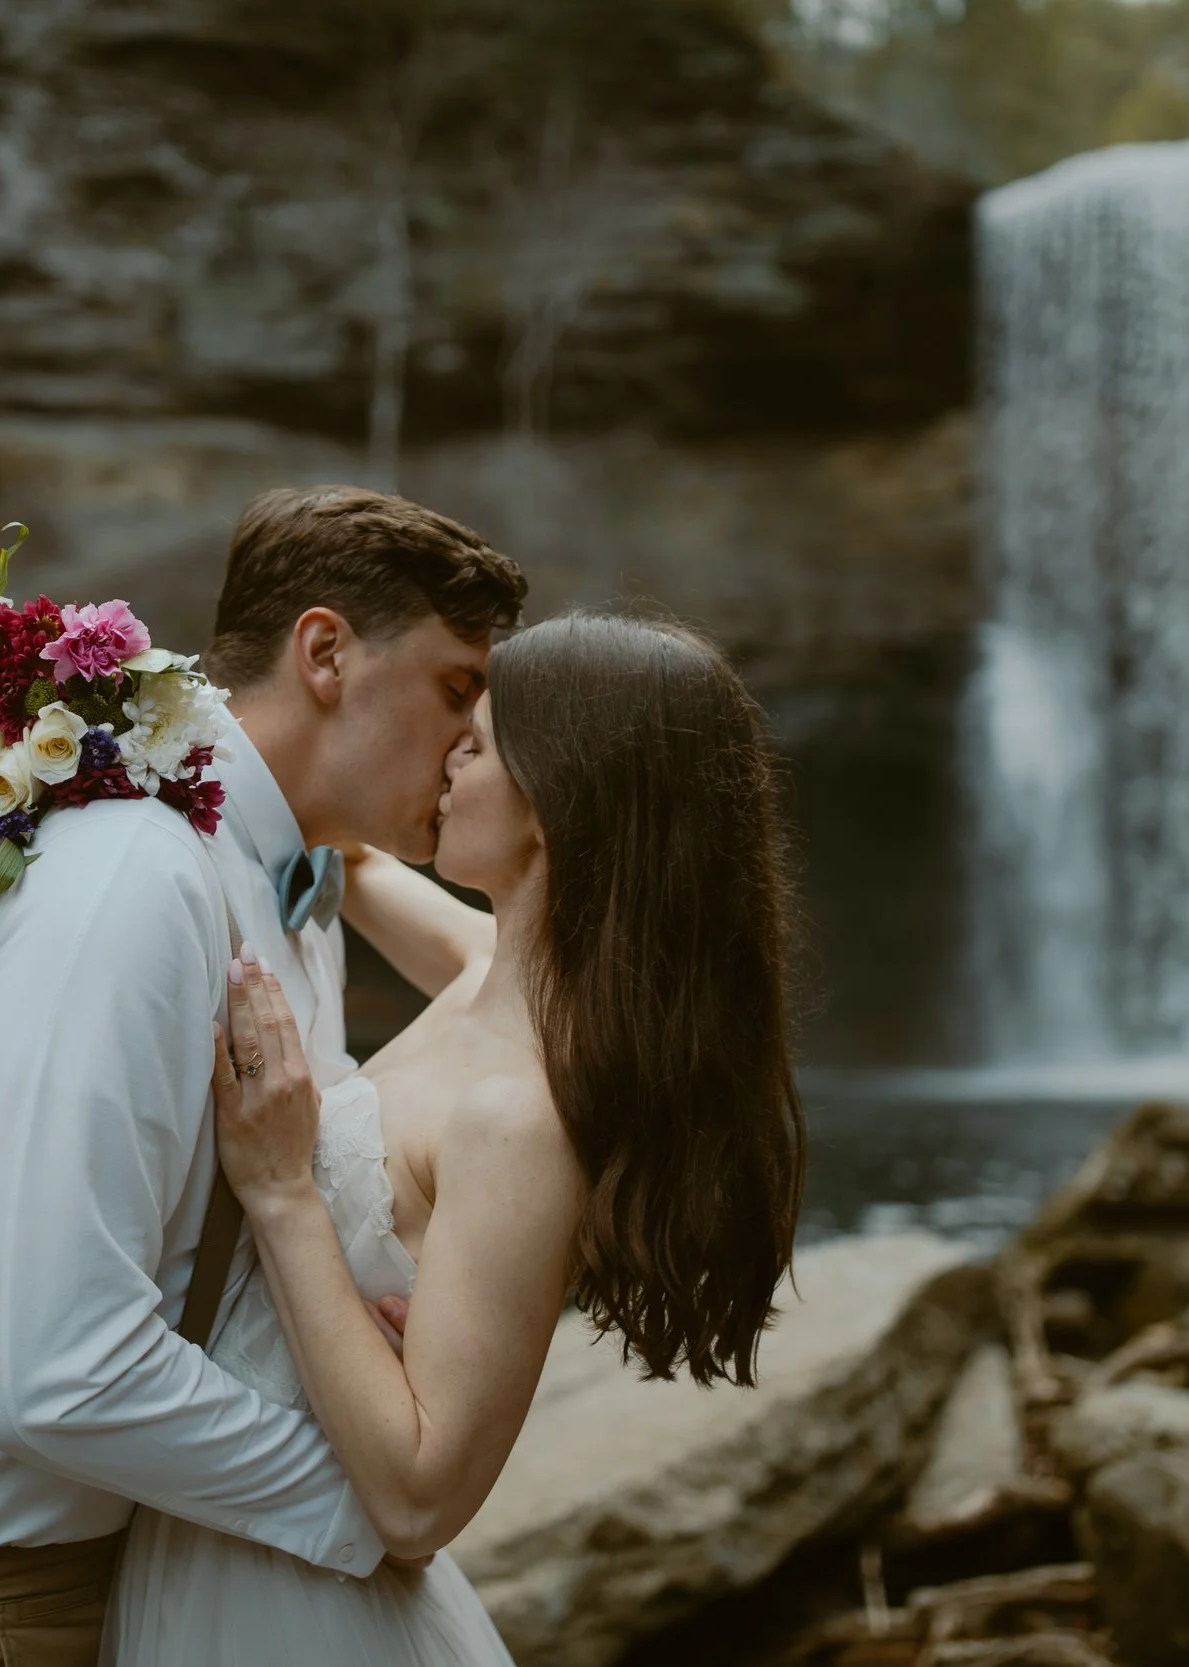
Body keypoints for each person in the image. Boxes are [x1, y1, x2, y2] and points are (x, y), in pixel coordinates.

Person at [0, 486, 527, 1667]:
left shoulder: (292, 890)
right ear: (326, 652)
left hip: (97, 1590)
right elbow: (58, 1368)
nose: (475, 739)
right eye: (456, 686)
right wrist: (360, 1501)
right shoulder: (129, 880)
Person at [104, 612, 809, 1665]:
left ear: (556, 804)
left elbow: (420, 1498)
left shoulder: (519, 1116)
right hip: (221, 1545)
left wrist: (288, 1190)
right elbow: (364, 872)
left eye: (474, 744)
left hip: (291, 1606)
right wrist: (294, 794)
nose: (444, 763)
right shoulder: (509, 978)